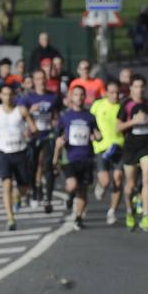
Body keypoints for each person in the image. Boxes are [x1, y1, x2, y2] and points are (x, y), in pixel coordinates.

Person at [0, 83, 39, 231]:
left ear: (14, 96)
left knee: (24, 189)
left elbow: (33, 128)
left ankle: (17, 195)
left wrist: (30, 132)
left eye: (10, 94)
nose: (8, 97)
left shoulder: (21, 110)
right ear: (0, 96)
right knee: (6, 184)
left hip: (20, 152)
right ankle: (10, 219)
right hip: (4, 153)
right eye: (5, 94)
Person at [54, 85, 99, 230]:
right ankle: (70, 195)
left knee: (83, 190)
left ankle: (78, 217)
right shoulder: (65, 116)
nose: (78, 97)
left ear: (85, 97)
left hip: (86, 157)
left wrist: (97, 136)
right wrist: (56, 156)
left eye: (81, 94)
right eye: (76, 94)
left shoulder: (90, 116)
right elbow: (57, 137)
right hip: (69, 157)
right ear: (71, 97)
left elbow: (97, 133)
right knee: (73, 185)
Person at [117, 73, 148, 231]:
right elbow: (117, 128)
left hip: (146, 145)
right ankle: (129, 211)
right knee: (130, 184)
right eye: (136, 86)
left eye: (142, 86)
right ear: (131, 88)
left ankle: (146, 216)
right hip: (130, 147)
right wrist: (134, 121)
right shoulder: (125, 104)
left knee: (147, 178)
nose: (139, 90)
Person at [19, 69, 62, 214]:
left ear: (46, 80)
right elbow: (19, 115)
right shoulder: (27, 98)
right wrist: (31, 111)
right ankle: (34, 191)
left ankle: (48, 198)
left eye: (43, 78)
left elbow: (57, 115)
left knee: (48, 167)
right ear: (33, 81)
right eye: (38, 79)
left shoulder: (53, 97)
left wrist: (56, 123)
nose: (41, 82)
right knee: (32, 166)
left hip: (47, 136)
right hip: (32, 137)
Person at [90, 80, 125, 223]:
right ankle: (101, 186)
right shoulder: (98, 105)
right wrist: (93, 132)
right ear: (105, 93)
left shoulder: (123, 107)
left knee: (118, 178)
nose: (115, 95)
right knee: (105, 181)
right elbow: (89, 120)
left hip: (119, 146)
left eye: (117, 92)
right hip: (102, 147)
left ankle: (112, 211)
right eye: (111, 92)